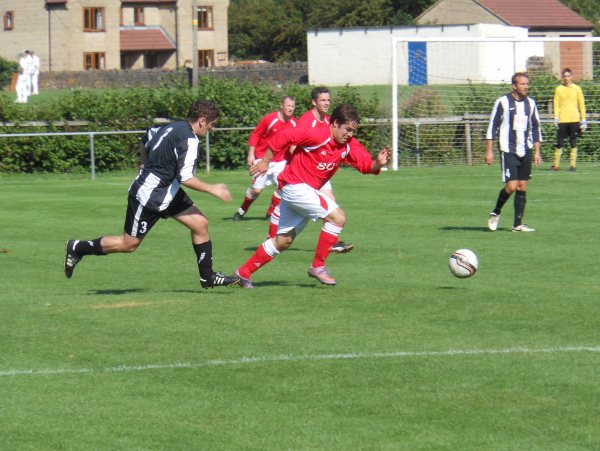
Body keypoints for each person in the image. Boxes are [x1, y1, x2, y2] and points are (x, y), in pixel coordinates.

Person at [64, 99, 240, 289]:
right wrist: (213, 189)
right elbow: (186, 178)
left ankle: (208, 277)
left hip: (168, 192)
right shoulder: (189, 140)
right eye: (212, 125)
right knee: (128, 244)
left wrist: (143, 163)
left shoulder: (173, 126)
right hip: (149, 197)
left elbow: (147, 135)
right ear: (202, 120)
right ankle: (77, 248)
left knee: (200, 224)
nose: (211, 129)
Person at [234, 103, 391, 288]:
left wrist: (378, 163)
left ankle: (243, 273)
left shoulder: (348, 145)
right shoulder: (317, 134)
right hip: (295, 186)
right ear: (334, 124)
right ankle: (317, 266)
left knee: (283, 241)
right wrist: (266, 161)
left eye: (353, 130)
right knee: (337, 218)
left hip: (301, 192)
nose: (350, 134)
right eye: (347, 129)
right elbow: (285, 136)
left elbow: (365, 165)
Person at [269, 86, 354, 253]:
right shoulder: (308, 120)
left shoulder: (328, 120)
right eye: (323, 100)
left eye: (328, 100)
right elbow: (294, 144)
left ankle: (332, 242)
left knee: (330, 201)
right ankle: (272, 237)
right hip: (303, 173)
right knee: (282, 204)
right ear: (314, 102)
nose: (327, 103)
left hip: (319, 170)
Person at [485, 72, 542, 233]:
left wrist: (537, 151)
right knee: (511, 186)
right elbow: (492, 126)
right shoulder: (502, 102)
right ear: (514, 86)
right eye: (522, 84)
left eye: (527, 84)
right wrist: (489, 150)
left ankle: (517, 224)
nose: (526, 86)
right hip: (508, 149)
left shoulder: (531, 103)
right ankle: (496, 212)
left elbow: (536, 127)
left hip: (525, 149)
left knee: (522, 186)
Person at [232, 96, 297, 221]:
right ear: (281, 105)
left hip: (280, 161)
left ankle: (270, 213)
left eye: (293, 106)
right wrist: (251, 153)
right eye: (288, 105)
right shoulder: (270, 119)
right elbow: (256, 134)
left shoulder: (294, 123)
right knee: (256, 190)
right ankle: (241, 210)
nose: (290, 108)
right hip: (262, 158)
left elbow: (295, 143)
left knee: (284, 188)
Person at [550, 68, 587, 172]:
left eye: (568, 76)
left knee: (573, 142)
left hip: (574, 119)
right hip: (562, 120)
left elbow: (581, 104)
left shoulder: (577, 89)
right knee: (559, 142)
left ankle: (572, 166)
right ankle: (556, 165)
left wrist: (583, 120)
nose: (566, 78)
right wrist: (556, 117)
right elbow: (556, 104)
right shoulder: (559, 89)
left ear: (571, 77)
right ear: (562, 77)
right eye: (564, 76)